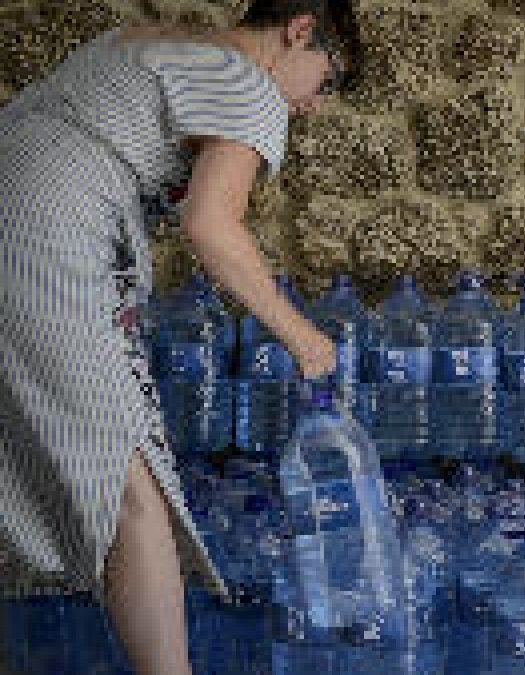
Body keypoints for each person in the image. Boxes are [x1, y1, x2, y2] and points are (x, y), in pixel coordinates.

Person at [0, 1, 355, 673]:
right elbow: (210, 225)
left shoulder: (150, 42)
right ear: (300, 30)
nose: (316, 104)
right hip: (43, 231)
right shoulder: (251, 85)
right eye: (328, 78)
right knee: (128, 476)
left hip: (20, 198)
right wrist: (305, 339)